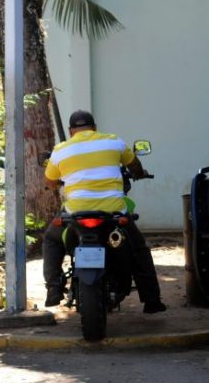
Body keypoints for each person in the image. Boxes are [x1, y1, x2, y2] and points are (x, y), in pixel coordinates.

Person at [43, 110, 166, 314]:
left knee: (51, 239)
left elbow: (49, 182)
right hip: (113, 211)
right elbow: (134, 164)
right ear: (94, 127)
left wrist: (58, 181)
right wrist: (138, 173)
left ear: (70, 131)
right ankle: (152, 300)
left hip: (77, 213)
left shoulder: (60, 150)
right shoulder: (113, 142)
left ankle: (54, 289)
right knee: (138, 248)